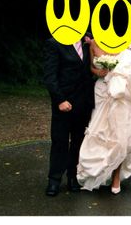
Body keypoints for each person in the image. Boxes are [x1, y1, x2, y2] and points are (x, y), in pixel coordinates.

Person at [77, 41, 131, 194]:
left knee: (120, 137)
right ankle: (98, 172)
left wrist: (117, 72)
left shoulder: (126, 48)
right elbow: (92, 68)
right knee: (102, 132)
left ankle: (116, 176)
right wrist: (103, 72)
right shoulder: (94, 44)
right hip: (103, 92)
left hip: (122, 96)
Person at [43, 35, 95, 196]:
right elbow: (50, 76)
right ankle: (54, 180)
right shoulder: (54, 43)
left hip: (84, 103)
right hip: (64, 103)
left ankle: (73, 177)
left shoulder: (88, 42)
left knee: (78, 142)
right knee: (60, 141)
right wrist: (60, 100)